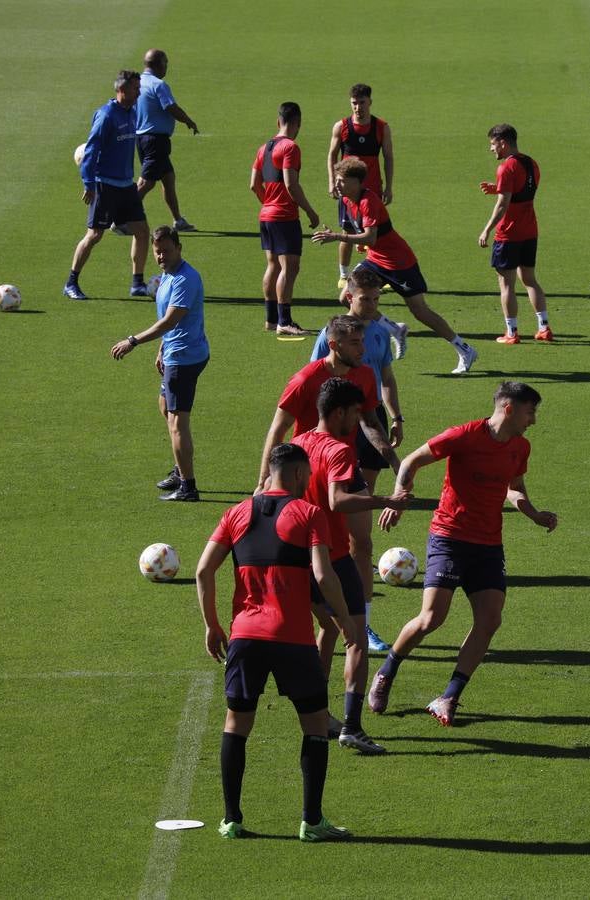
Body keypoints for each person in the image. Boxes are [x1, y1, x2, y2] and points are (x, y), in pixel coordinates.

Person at [196, 441, 362, 842]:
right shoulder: (309, 513)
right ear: (301, 474)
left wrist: (213, 625)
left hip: (246, 636)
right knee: (315, 724)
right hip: (292, 637)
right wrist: (343, 619)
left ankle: (232, 819)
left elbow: (204, 570)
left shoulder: (236, 513)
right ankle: (312, 821)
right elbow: (322, 577)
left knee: (237, 724)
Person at [368, 382, 559, 727]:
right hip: (450, 537)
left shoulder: (520, 447)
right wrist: (399, 497)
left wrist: (534, 514)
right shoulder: (465, 435)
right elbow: (412, 460)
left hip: (487, 544)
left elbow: (514, 489)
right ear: (510, 409)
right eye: (531, 411)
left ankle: (449, 696)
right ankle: (386, 672)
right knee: (432, 618)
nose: (534, 420)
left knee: (490, 620)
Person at [292, 378, 411, 754]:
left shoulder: (296, 444)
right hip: (332, 558)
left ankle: (320, 715)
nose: (359, 421)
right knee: (355, 640)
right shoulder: (338, 450)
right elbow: (339, 500)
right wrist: (385, 499)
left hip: (297, 559)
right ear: (339, 412)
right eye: (357, 413)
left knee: (325, 628)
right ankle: (353, 727)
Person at [312, 158, 478, 374]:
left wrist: (335, 236)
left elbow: (370, 238)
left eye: (342, 181)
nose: (337, 185)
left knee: (420, 311)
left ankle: (464, 349)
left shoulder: (368, 201)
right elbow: (360, 236)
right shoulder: (345, 201)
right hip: (375, 259)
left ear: (357, 182)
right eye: (336, 180)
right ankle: (393, 328)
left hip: (398, 261)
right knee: (347, 297)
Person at [311, 268, 403, 652]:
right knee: (320, 542)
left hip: (363, 429)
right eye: (367, 298)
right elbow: (313, 398)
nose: (373, 306)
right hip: (322, 448)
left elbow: (385, 378)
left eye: (377, 299)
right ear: (349, 297)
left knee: (359, 541)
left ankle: (361, 621)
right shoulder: (327, 342)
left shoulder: (377, 336)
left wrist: (395, 419)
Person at [110, 225, 209, 502]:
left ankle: (188, 487)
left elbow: (170, 320)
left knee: (178, 422)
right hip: (175, 351)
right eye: (157, 252)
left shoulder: (184, 280)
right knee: (166, 407)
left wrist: (133, 341)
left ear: (179, 248)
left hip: (185, 357)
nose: (162, 256)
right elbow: (169, 326)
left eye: (166, 250)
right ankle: (180, 470)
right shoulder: (167, 276)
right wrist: (161, 349)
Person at [257, 314, 397, 491]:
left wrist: (395, 462)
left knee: (361, 511)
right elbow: (279, 428)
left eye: (362, 341)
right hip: (309, 468)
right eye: (354, 343)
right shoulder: (305, 380)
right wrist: (263, 482)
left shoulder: (366, 375)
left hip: (345, 465)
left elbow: (370, 422)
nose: (362, 349)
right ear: (333, 345)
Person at [64, 70, 150, 301]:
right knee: (94, 235)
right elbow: (91, 151)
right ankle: (71, 282)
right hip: (105, 185)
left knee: (142, 232)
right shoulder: (106, 115)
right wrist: (89, 183)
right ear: (122, 89)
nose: (138, 92)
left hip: (126, 185)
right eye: (135, 88)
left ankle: (137, 283)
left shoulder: (132, 113)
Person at [251, 101, 321, 336]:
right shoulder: (290, 148)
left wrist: (268, 203)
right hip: (284, 216)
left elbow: (254, 184)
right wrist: (310, 211)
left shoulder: (264, 148)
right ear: (298, 123)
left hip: (266, 215)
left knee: (273, 265)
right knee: (289, 268)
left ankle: (271, 319)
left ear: (278, 120)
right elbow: (291, 184)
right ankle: (284, 321)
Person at [477, 124, 551, 344]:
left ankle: (511, 332)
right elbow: (521, 192)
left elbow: (503, 205)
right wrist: (498, 188)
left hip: (509, 234)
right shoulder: (532, 163)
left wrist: (486, 229)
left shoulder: (506, 168)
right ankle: (544, 328)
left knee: (506, 284)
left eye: (492, 144)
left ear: (502, 142)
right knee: (530, 279)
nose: (491, 149)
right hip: (530, 230)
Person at [326, 84, 394, 292]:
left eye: (362, 103)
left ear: (370, 102)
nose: (358, 107)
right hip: (347, 192)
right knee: (347, 230)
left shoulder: (381, 127)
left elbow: (388, 158)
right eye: (354, 103)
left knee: (375, 234)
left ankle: (377, 275)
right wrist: (331, 181)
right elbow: (332, 155)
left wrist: (389, 187)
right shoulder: (342, 126)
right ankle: (343, 275)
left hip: (372, 190)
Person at [135, 49, 199, 232]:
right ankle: (121, 218)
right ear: (157, 64)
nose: (166, 67)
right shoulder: (158, 85)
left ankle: (178, 220)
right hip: (156, 140)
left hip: (142, 138)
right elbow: (170, 107)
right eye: (165, 63)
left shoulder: (138, 82)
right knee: (146, 183)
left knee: (168, 179)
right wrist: (188, 120)